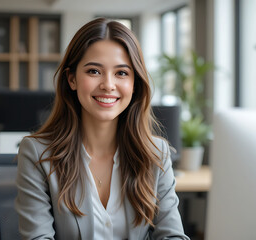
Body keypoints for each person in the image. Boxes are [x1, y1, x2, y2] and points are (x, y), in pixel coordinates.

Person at [15, 18, 189, 240]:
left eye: (122, 73)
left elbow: (172, 235)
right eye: (94, 71)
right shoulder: (38, 154)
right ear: (72, 79)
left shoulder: (156, 153)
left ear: (134, 84)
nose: (108, 84)